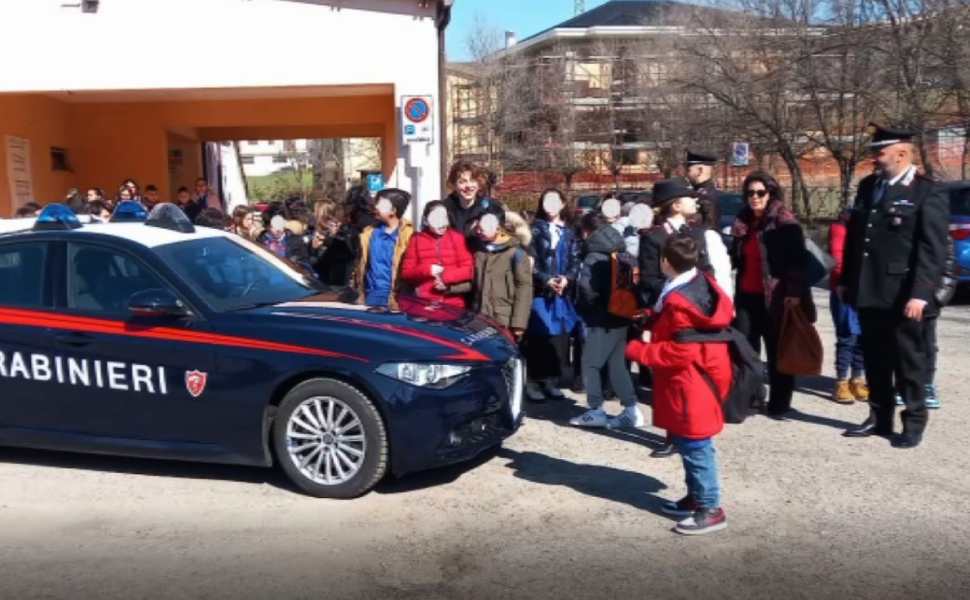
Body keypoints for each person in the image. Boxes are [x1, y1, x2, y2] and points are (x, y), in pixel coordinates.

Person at [841, 125, 949, 448]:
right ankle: (879, 417)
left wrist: (920, 293)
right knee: (875, 359)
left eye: (880, 152)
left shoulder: (927, 191)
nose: (875, 158)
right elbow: (856, 240)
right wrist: (847, 280)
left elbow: (932, 250)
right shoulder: (869, 186)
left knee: (908, 362)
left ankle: (913, 422)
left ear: (901, 153)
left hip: (904, 292)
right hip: (869, 288)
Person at [625, 234, 733, 535]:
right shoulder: (695, 283)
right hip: (697, 377)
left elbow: (681, 350)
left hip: (691, 381)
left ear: (666, 263)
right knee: (688, 442)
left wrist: (639, 351)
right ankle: (695, 498)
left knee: (697, 444)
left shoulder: (679, 300)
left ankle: (710, 508)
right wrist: (651, 317)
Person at [729, 171, 815, 420]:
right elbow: (735, 257)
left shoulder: (784, 221)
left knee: (778, 351)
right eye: (749, 193)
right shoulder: (743, 221)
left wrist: (794, 293)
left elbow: (797, 261)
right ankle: (753, 397)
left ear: (770, 193)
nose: (754, 198)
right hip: (746, 295)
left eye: (760, 193)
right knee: (746, 349)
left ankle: (780, 402)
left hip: (776, 296)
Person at [569, 211, 643, 429]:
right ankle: (631, 410)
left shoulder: (593, 255)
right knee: (617, 364)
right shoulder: (620, 249)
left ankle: (596, 410)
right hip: (621, 315)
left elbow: (586, 289)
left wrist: (586, 309)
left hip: (601, 319)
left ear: (585, 231)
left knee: (590, 364)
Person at [525, 188, 581, 402]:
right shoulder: (534, 230)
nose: (550, 205)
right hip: (541, 291)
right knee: (539, 335)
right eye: (546, 200)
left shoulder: (569, 231)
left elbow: (576, 260)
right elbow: (531, 262)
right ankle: (532, 381)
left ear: (562, 204)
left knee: (559, 337)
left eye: (555, 200)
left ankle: (551, 380)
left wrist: (567, 278)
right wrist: (545, 279)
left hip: (562, 293)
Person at [400, 200, 475, 308]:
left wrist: (446, 277)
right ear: (426, 220)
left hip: (452, 302)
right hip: (424, 303)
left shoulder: (457, 238)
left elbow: (469, 269)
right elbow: (406, 273)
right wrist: (427, 269)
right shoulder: (416, 240)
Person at [472, 210, 534, 338]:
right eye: (477, 227)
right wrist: (448, 286)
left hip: (504, 319)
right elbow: (472, 280)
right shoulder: (479, 251)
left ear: (498, 228)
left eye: (482, 228)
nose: (478, 231)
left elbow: (524, 287)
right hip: (480, 318)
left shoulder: (516, 252)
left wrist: (519, 324)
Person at [828, 209, 868, 404]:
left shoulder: (869, 224)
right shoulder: (840, 226)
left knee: (862, 337)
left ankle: (857, 378)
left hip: (866, 290)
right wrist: (842, 283)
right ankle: (842, 380)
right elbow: (837, 258)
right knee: (847, 336)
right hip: (844, 289)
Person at [353, 188, 414, 309]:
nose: (375, 206)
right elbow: (361, 264)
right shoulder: (369, 233)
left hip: (395, 300)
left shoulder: (409, 235)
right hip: (370, 298)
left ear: (393, 211)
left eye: (381, 204)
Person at [443, 160, 502, 241]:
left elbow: (505, 235)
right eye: (462, 182)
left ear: (479, 184)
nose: (468, 186)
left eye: (472, 180)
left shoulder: (491, 207)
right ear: (454, 185)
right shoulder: (445, 209)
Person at [309, 203, 357, 287]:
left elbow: (350, 255)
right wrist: (315, 248)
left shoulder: (343, 234)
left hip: (337, 280)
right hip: (324, 279)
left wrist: (332, 237)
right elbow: (315, 260)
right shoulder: (315, 233)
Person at [685, 149, 722, 230]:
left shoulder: (707, 197)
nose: (687, 174)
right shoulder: (700, 192)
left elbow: (709, 228)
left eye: (688, 170)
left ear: (700, 170)